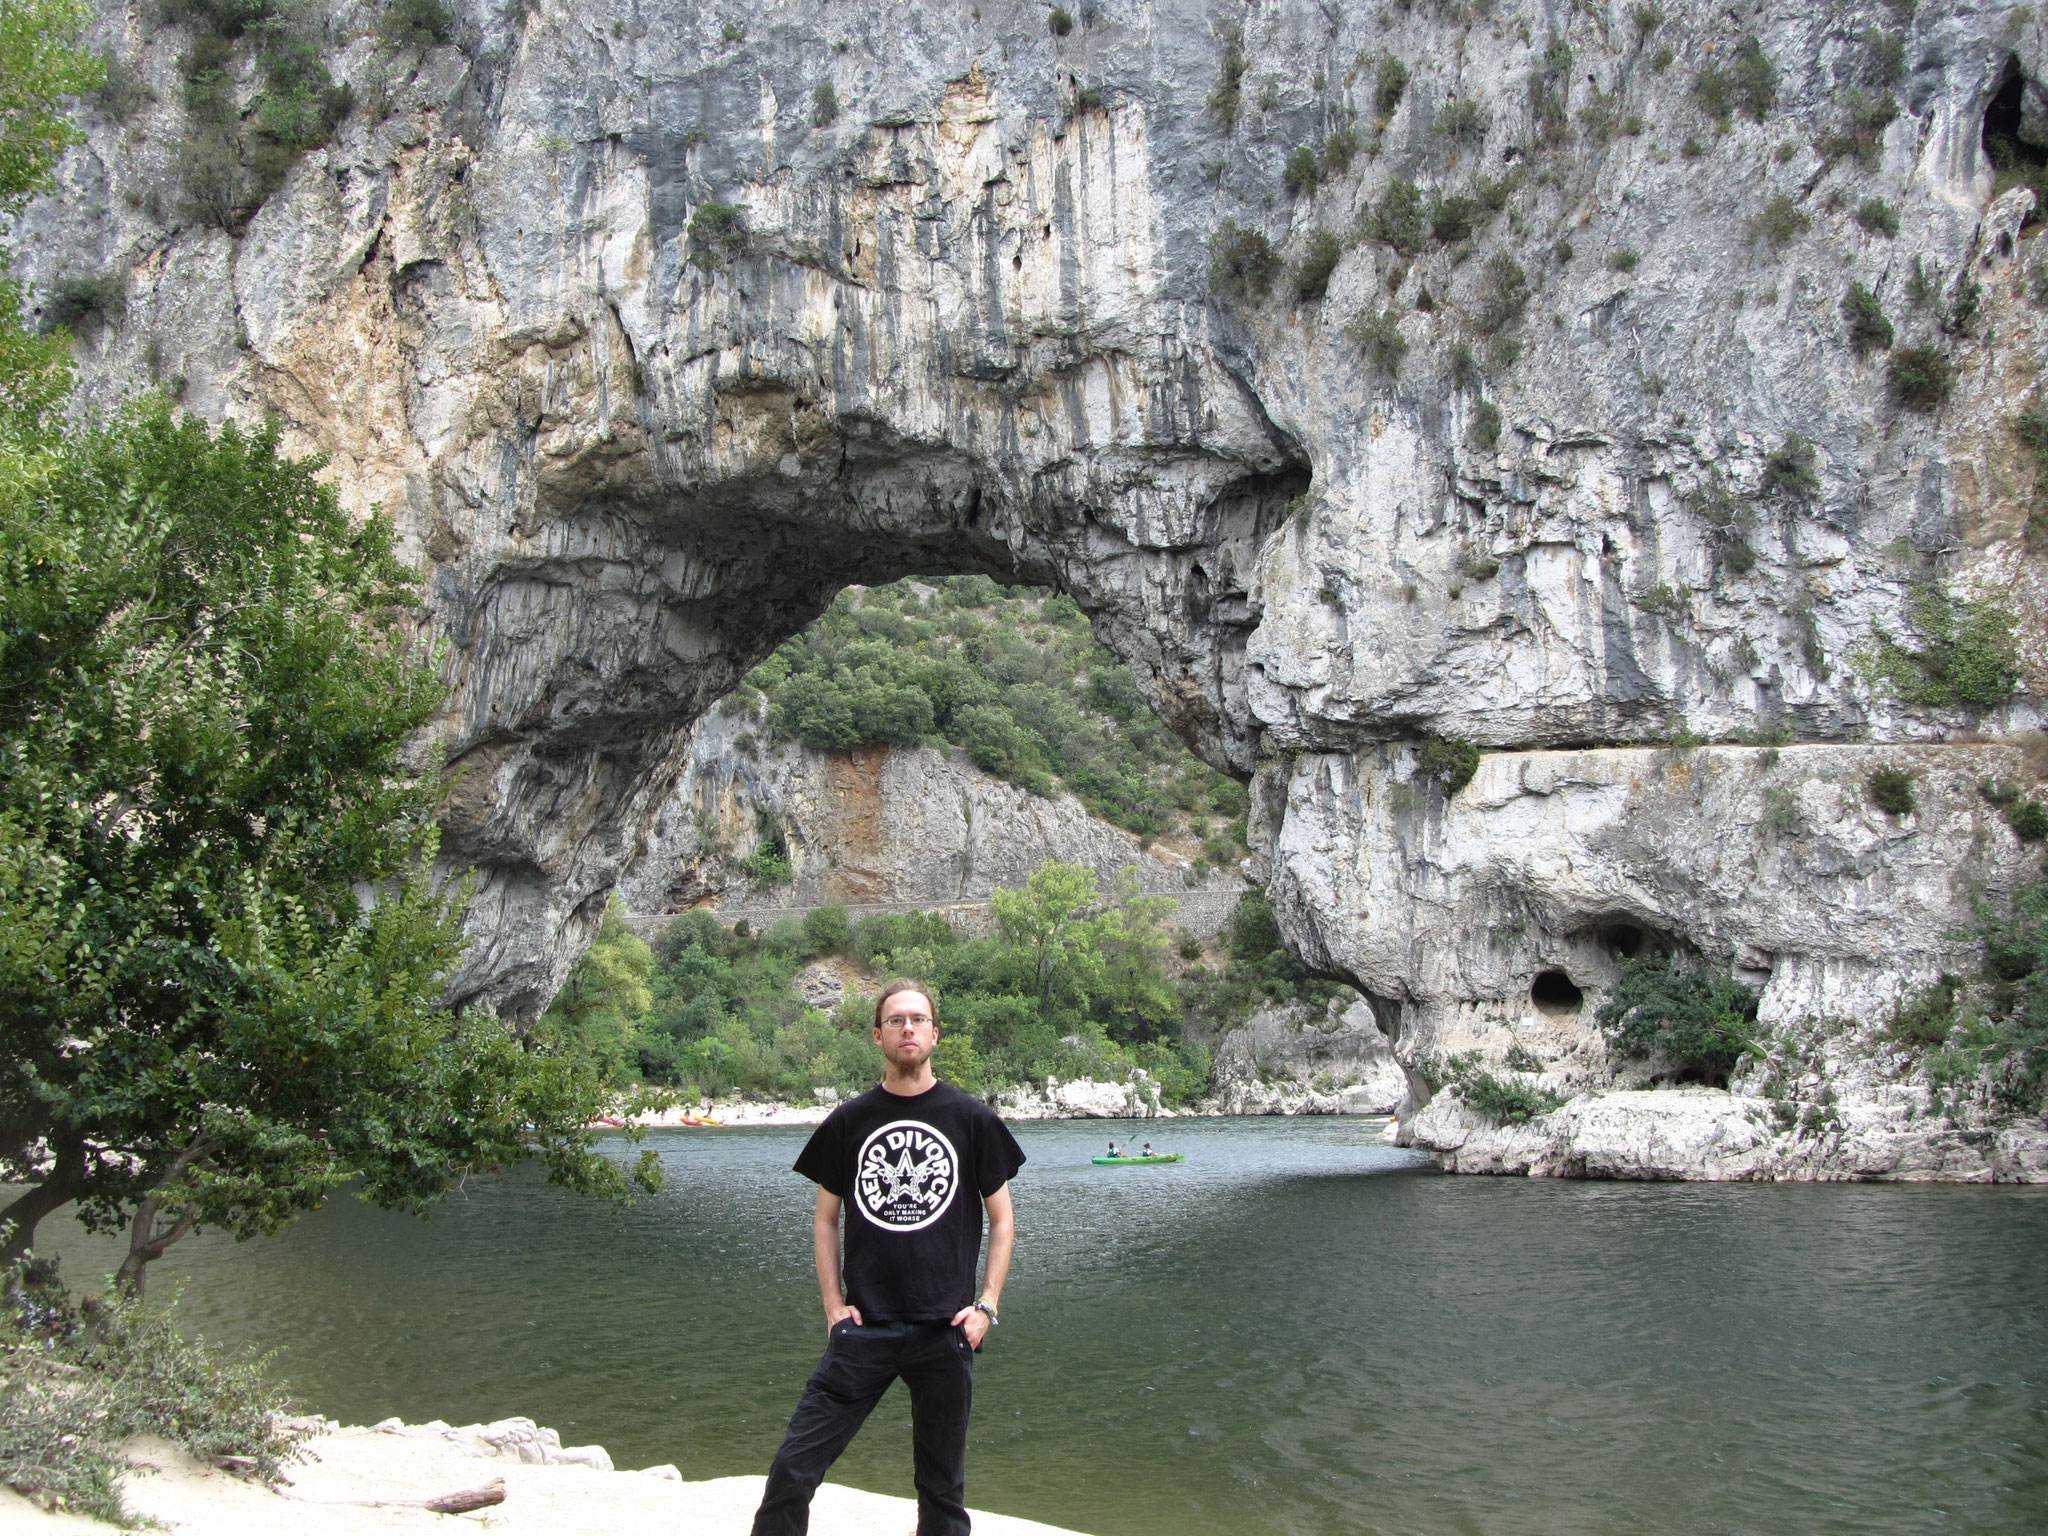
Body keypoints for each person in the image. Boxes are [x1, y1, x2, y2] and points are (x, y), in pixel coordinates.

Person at [751, 979, 1025, 1536]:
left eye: (918, 1020)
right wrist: (833, 1307)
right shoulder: (850, 1121)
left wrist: (987, 1307)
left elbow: (1003, 1220)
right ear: (877, 1035)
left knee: (942, 1492)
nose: (908, 1028)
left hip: (945, 1331)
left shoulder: (971, 1119)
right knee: (792, 1469)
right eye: (896, 1020)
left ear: (934, 1035)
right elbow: (826, 1220)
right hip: (865, 1328)